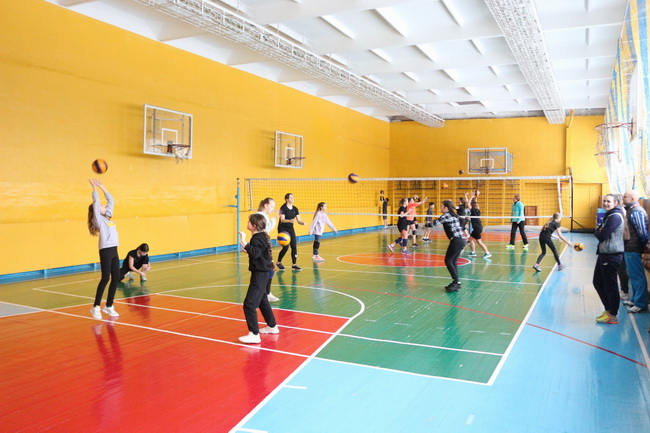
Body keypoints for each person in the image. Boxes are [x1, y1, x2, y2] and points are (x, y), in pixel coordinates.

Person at [238, 213, 279, 344]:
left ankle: (254, 334)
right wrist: (249, 249)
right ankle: (272, 326)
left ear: (254, 225)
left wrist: (244, 241)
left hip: (260, 275)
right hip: (263, 273)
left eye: (249, 222)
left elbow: (255, 252)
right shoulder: (261, 236)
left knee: (249, 305)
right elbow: (259, 253)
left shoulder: (257, 237)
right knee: (262, 301)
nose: (247, 223)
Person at [87, 179, 120, 319]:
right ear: (97, 211)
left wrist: (102, 186)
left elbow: (111, 200)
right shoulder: (98, 220)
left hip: (114, 248)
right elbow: (96, 203)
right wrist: (94, 189)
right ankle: (95, 307)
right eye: (101, 206)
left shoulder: (108, 216)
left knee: (116, 277)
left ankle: (109, 305)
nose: (103, 205)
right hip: (105, 249)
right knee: (105, 278)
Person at [593, 194, 625, 324]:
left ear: (616, 203)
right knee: (597, 282)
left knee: (610, 286)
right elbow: (599, 232)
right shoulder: (609, 215)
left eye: (609, 201)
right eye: (604, 201)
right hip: (604, 254)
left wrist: (598, 232)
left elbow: (602, 235)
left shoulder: (615, 217)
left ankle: (613, 316)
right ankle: (608, 310)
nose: (606, 203)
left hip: (612, 255)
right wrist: (598, 231)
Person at [431, 200, 469, 292]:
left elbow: (435, 223)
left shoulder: (447, 215)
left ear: (446, 208)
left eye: (442, 206)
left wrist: (426, 225)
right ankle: (456, 282)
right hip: (461, 240)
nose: (440, 208)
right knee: (453, 261)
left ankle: (455, 281)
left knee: (448, 261)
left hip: (456, 240)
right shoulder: (453, 215)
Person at [621, 190, 649, 313]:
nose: (623, 198)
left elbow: (642, 232)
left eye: (625, 196)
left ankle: (641, 304)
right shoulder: (631, 210)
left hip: (634, 248)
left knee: (637, 276)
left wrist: (643, 245)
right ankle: (635, 299)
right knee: (632, 274)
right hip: (630, 247)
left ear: (632, 199)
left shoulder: (636, 211)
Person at [256, 197, 280, 302]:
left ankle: (266, 293)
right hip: (261, 246)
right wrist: (274, 218)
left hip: (265, 245)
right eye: (271, 206)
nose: (273, 209)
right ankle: (265, 293)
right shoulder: (259, 216)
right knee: (267, 270)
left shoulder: (264, 215)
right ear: (265, 205)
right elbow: (266, 229)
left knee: (270, 269)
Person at [277, 193, 305, 271]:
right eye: (290, 197)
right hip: (282, 228)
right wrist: (290, 220)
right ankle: (278, 262)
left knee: (294, 246)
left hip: (290, 228)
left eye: (293, 197)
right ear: (286, 199)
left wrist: (302, 222)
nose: (292, 199)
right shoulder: (283, 208)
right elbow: (282, 220)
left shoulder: (295, 209)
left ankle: (294, 264)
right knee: (286, 247)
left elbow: (298, 220)